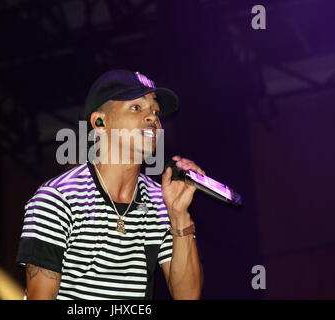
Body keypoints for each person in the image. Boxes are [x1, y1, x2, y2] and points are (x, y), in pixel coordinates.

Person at [16, 69, 204, 300]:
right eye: (136, 108)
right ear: (100, 122)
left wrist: (179, 214)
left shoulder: (162, 201)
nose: (153, 118)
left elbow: (188, 297)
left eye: (156, 111)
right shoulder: (57, 199)